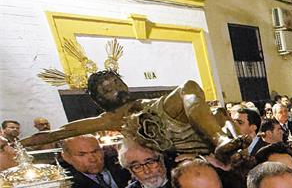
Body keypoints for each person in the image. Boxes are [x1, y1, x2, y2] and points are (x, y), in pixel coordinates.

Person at [21, 70, 232, 156]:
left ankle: (220, 139)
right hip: (176, 145)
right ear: (99, 100)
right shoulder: (109, 120)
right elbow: (57, 133)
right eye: (108, 90)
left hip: (172, 117)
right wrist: (16, 144)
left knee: (189, 86)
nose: (117, 89)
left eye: (117, 82)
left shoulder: (147, 102)